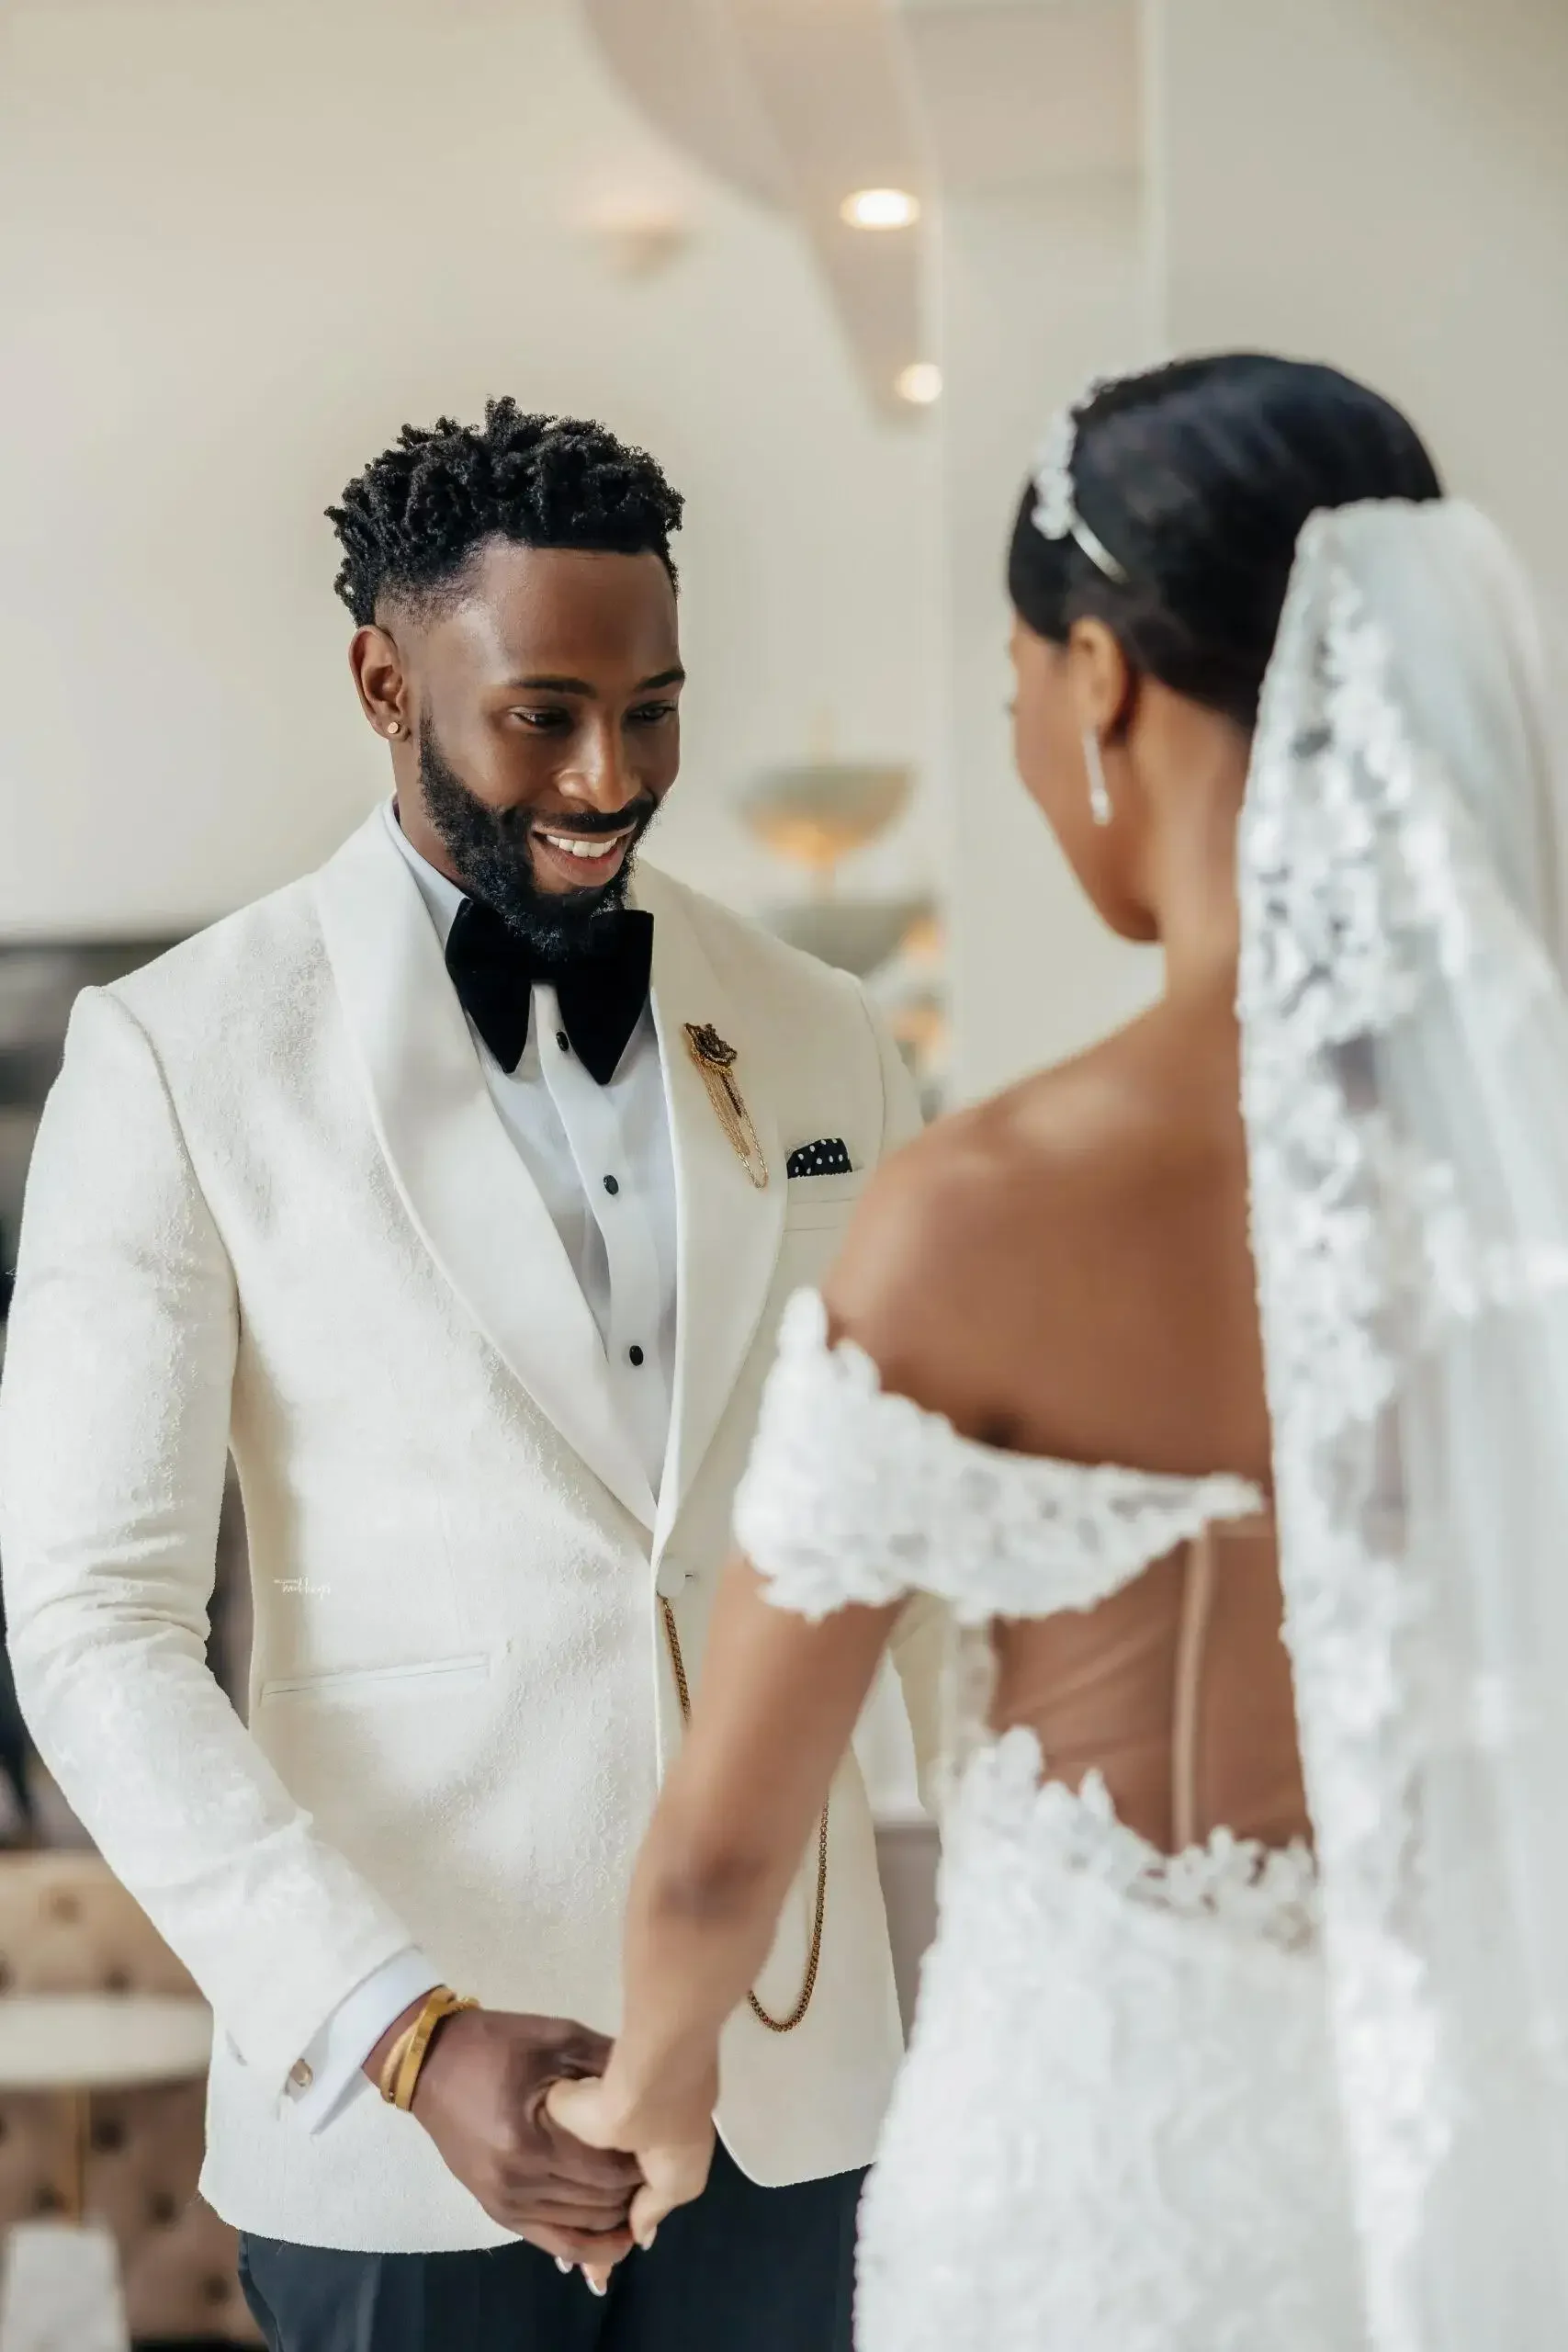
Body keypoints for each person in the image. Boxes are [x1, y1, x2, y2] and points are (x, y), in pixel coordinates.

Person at [550, 354, 1568, 2349]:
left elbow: (718, 1851)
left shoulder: (989, 1204)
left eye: (1021, 681)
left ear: (1097, 678)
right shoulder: (1524, 1181)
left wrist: (646, 2090)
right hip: (1472, 2173)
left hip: (1103, 2197)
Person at [0, 401, 943, 2352]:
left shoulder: (826, 1030)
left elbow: (891, 1533)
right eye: (544, 713)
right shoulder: (177, 1055)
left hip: (797, 2083)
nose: (612, 775)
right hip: (402, 2134)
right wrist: (396, 2028)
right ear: (383, 676)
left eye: (656, 709)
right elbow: (92, 1622)